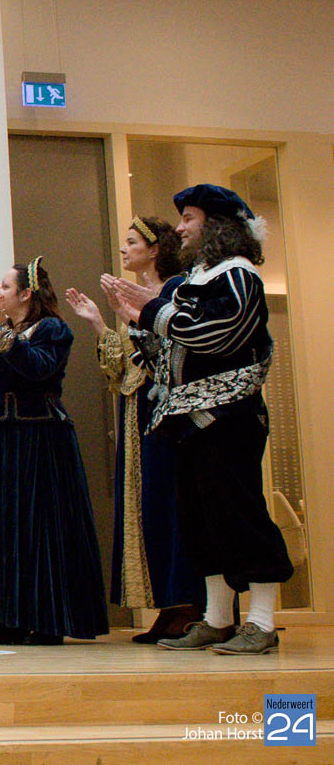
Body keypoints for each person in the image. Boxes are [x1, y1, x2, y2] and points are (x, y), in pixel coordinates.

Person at [102, 185, 293, 656]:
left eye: (189, 218)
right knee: (202, 521)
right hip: (187, 420)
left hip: (228, 417)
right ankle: (217, 619)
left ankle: (262, 622)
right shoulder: (195, 279)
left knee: (240, 515)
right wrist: (137, 320)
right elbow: (168, 352)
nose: (181, 227)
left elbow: (215, 335)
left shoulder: (239, 275)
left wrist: (152, 310)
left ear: (217, 225)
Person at [0, 258, 108, 646]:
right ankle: (8, 619)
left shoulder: (52, 329)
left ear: (26, 294)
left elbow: (37, 368)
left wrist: (3, 334)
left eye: (5, 286)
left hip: (37, 440)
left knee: (39, 527)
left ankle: (47, 621)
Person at [64, 216, 203, 643]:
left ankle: (191, 603)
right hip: (137, 408)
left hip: (167, 409)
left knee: (171, 501)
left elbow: (173, 351)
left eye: (132, 242)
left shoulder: (175, 290)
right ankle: (168, 603)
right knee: (148, 505)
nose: (124, 250)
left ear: (155, 248)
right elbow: (124, 366)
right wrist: (97, 322)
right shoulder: (137, 296)